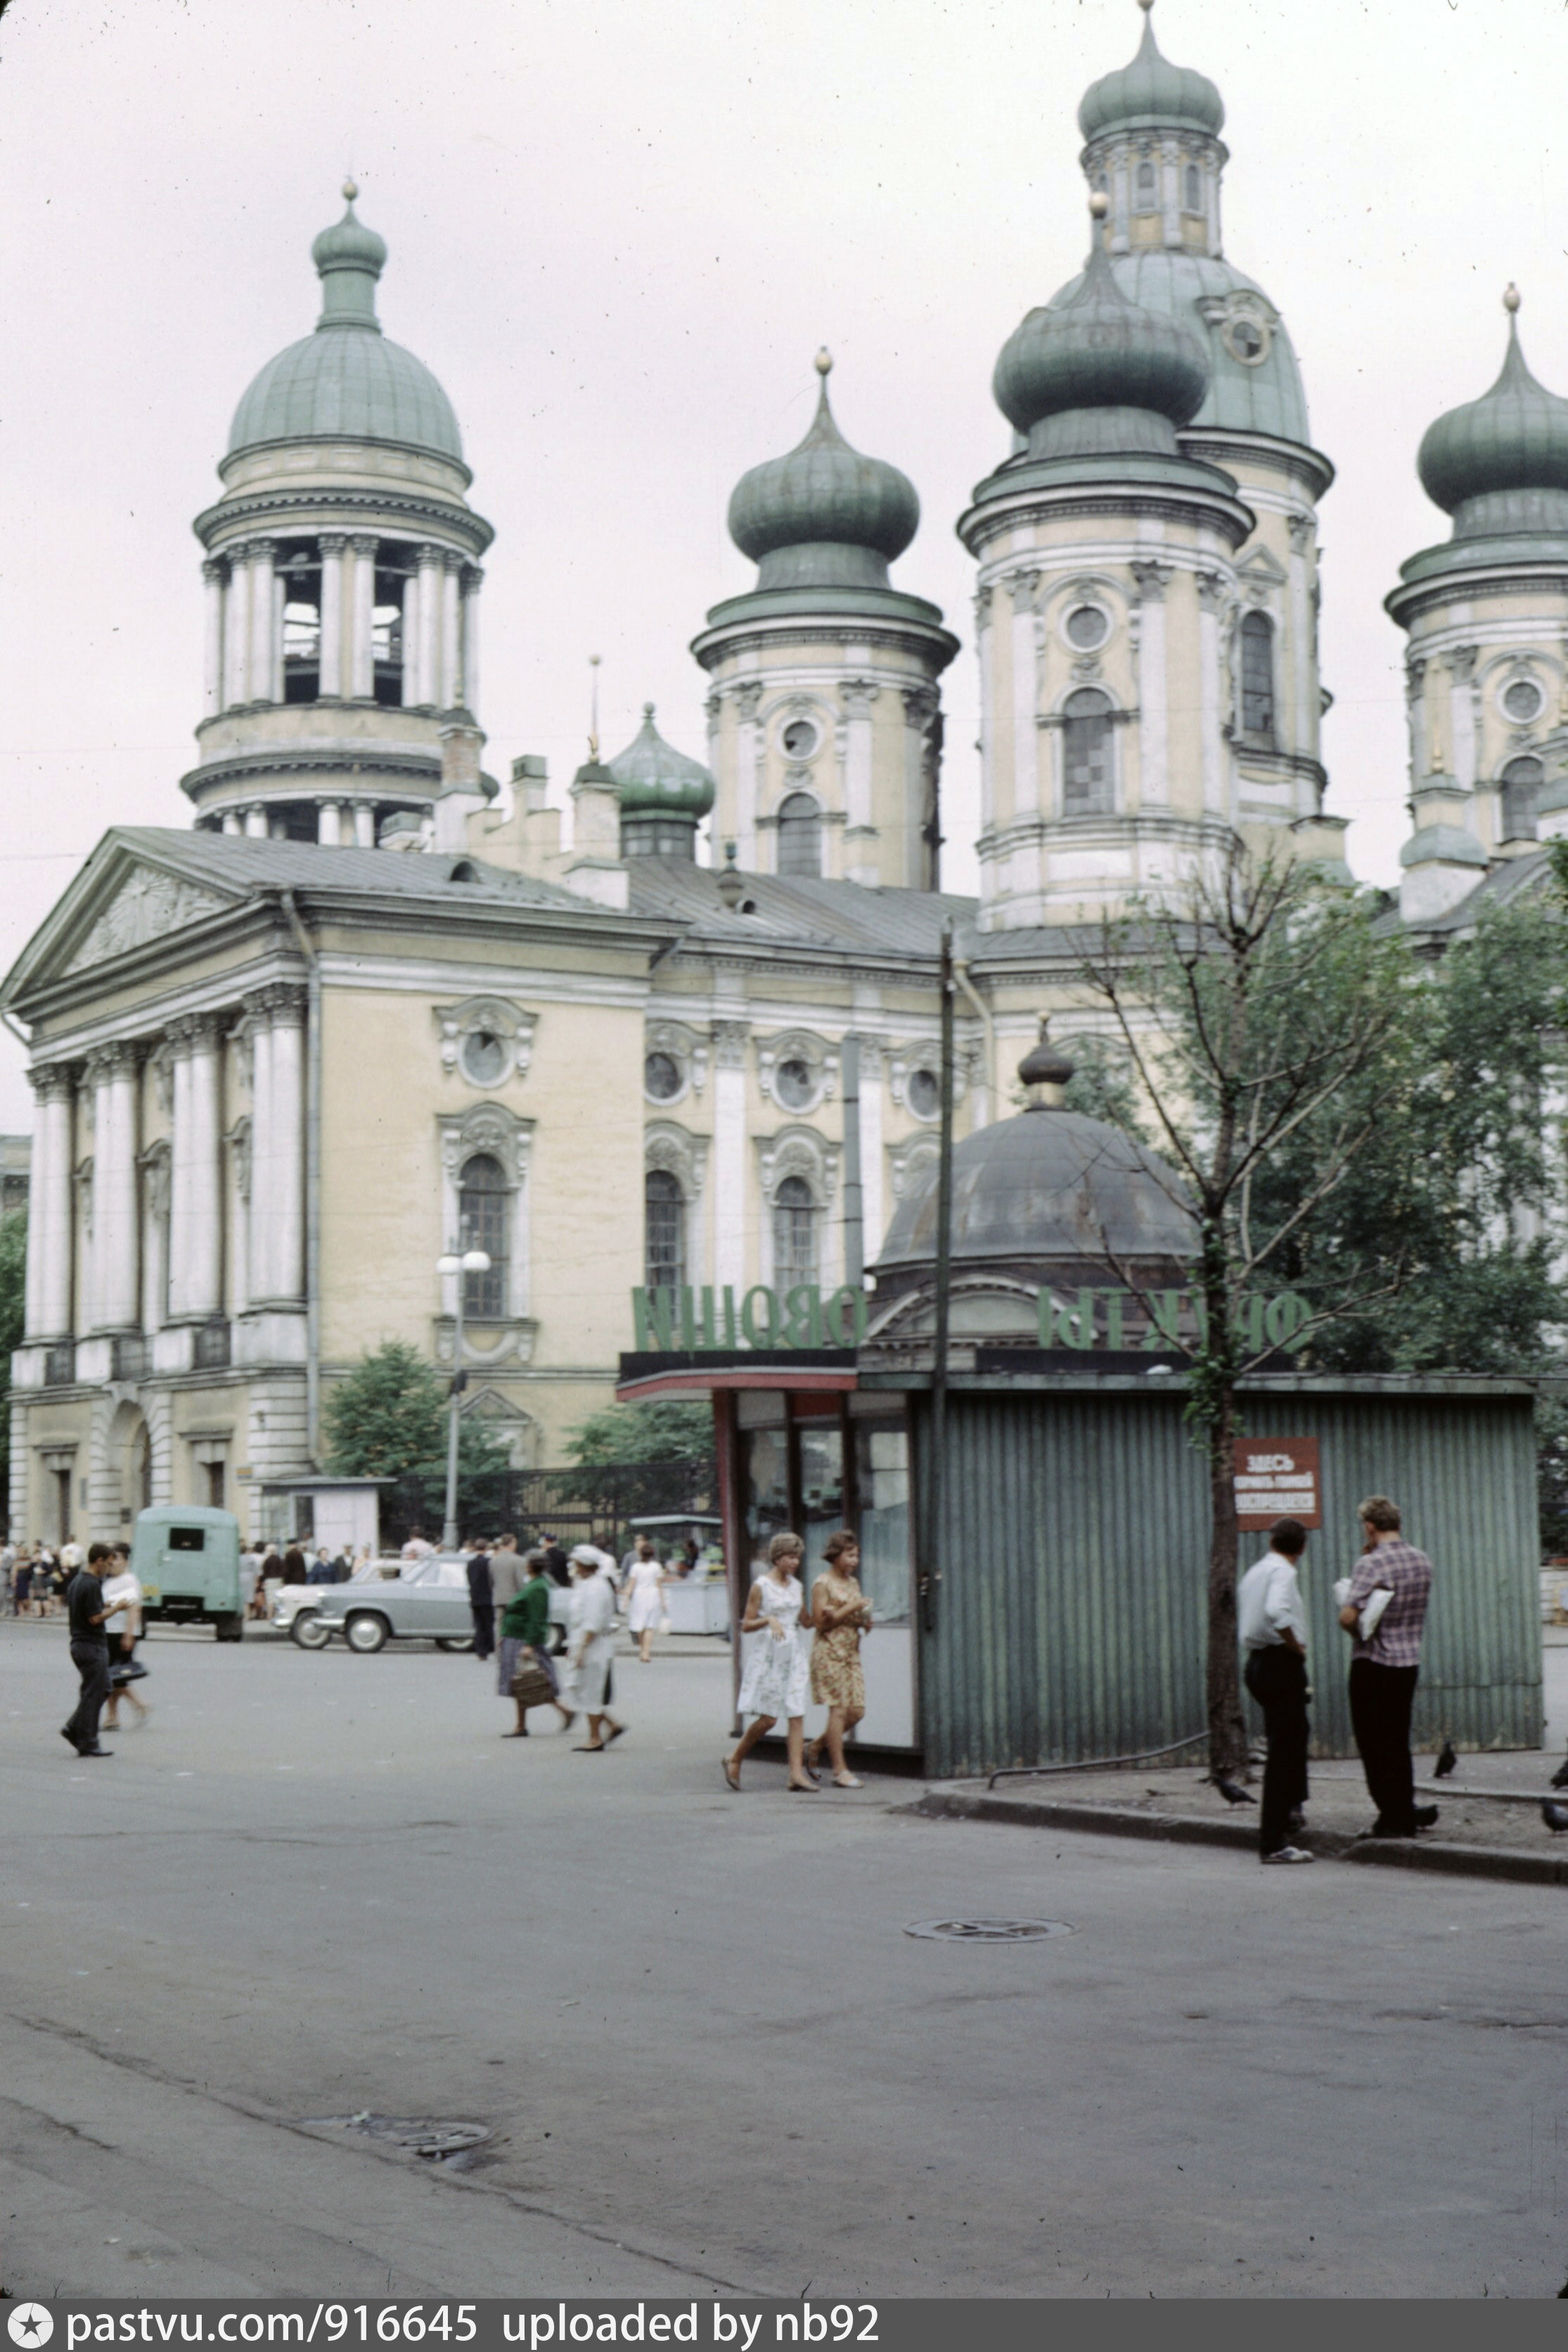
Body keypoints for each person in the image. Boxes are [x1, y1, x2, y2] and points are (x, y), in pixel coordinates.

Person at [1338, 1494, 1438, 1840]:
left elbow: (1348, 1615)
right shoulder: (1422, 1560)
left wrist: (1357, 1630)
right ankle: (1403, 1812)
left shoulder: (1370, 1565)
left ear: (1370, 1526)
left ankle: (1390, 1817)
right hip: (1408, 1661)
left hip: (1374, 1662)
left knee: (1373, 1743)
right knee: (1397, 1741)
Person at [1238, 1517, 1313, 1865]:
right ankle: (1273, 1840)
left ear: (1271, 1541)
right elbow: (1277, 1612)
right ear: (1301, 1547)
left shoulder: (1256, 1571)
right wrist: (1296, 1646)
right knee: (1286, 1751)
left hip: (1256, 1663)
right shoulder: (1284, 1572)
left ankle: (1286, 1817)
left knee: (1290, 1738)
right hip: (1279, 1663)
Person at [724, 1531, 816, 1792]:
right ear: (776, 1558)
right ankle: (735, 1757)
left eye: (797, 1557)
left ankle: (796, 1774)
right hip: (771, 1655)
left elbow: (807, 1621)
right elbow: (747, 1624)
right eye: (790, 1557)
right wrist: (768, 1620)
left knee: (796, 1712)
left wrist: (826, 1612)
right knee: (769, 1719)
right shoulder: (761, 1586)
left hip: (793, 1653)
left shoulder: (797, 1587)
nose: (795, 1562)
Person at [807, 1529, 872, 1788]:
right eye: (850, 1555)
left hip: (850, 1651)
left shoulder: (852, 1583)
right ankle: (839, 1770)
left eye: (857, 1556)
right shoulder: (822, 1583)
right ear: (835, 1555)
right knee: (839, 1709)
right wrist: (851, 1609)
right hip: (829, 1651)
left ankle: (815, 1747)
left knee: (857, 1711)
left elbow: (848, 1616)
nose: (854, 1561)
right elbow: (820, 1624)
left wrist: (864, 1620)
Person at [497, 1551, 577, 1738]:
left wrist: (530, 1644)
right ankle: (522, 1724)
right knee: (523, 1682)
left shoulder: (538, 1587)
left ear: (531, 1567)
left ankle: (561, 1711)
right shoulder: (534, 1584)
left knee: (530, 1681)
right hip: (516, 1637)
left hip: (523, 1639)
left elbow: (537, 1618)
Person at [563, 1545, 625, 1751]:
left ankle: (595, 1737)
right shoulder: (585, 1584)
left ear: (584, 1565)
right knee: (582, 1689)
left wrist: (581, 1649)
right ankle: (611, 1725)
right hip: (583, 1642)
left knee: (591, 1690)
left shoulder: (597, 1587)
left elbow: (593, 1621)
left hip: (593, 1646)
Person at [61, 1541, 117, 1757]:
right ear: (99, 1561)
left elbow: (84, 1608)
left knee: (101, 1689)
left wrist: (105, 1604)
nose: (109, 1568)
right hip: (91, 1645)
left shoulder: (79, 1580)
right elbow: (94, 1619)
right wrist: (116, 1609)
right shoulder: (92, 1583)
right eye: (108, 1563)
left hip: (80, 1645)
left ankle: (75, 1729)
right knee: (95, 1692)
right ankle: (87, 1741)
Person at [101, 1543, 150, 1733]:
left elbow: (134, 1609)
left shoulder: (129, 1580)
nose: (112, 1563)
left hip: (121, 1633)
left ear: (126, 1561)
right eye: (110, 1558)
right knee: (113, 1677)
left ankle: (137, 1705)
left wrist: (128, 1635)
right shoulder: (110, 1581)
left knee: (115, 1676)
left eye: (117, 1558)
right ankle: (114, 1716)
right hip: (109, 1630)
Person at [622, 1536, 667, 1664]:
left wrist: (626, 1599)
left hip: (639, 1597)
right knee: (649, 1627)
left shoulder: (636, 1567)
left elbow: (631, 1584)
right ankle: (646, 1652)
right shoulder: (657, 1567)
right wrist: (663, 1602)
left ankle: (643, 1650)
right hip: (653, 1596)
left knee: (639, 1625)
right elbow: (659, 1586)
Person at [540, 1532, 572, 1653]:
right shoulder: (562, 1554)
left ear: (547, 1542)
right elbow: (565, 1572)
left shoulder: (544, 1555)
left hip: (548, 1587)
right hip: (561, 1587)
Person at [465, 1536, 495, 1661]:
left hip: (475, 1597)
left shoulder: (470, 1564)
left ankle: (480, 1651)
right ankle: (489, 1648)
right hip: (487, 1598)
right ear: (486, 1548)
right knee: (489, 1624)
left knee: (479, 1626)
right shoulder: (490, 1562)